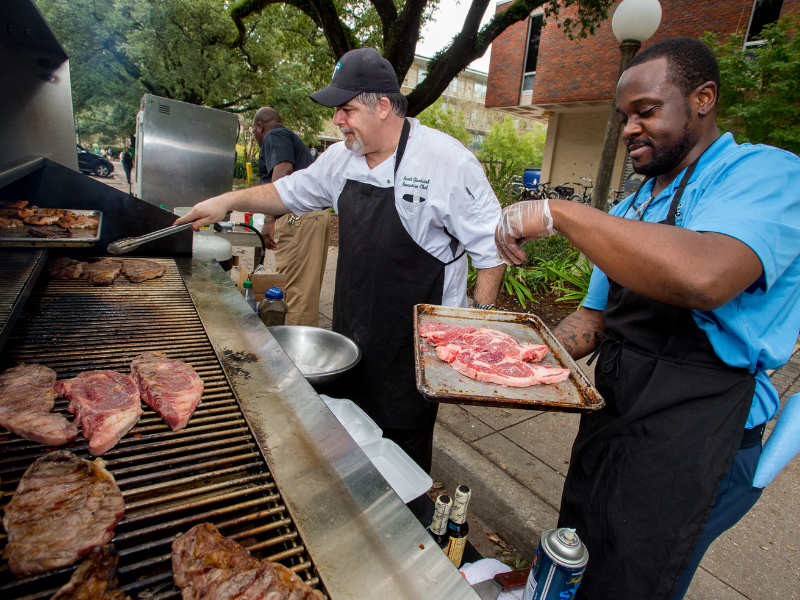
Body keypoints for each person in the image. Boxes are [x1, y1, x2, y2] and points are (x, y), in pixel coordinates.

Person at [495, 37, 800, 600]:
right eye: (624, 116)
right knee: (576, 561)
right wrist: (512, 360)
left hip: (697, 436)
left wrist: (558, 212)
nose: (631, 127)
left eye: (647, 111)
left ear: (703, 98)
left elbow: (705, 277)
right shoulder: (635, 206)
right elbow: (595, 317)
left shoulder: (767, 174)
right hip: (615, 417)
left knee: (632, 582)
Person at [176, 47, 505, 472]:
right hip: (354, 330)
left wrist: (474, 330)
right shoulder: (339, 159)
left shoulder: (448, 161)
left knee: (401, 447)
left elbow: (492, 248)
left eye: (345, 110)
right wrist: (227, 201)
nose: (337, 120)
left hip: (416, 346)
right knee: (352, 433)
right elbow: (286, 192)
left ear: (383, 106)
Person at [253, 107, 330, 327]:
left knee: (295, 292)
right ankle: (301, 348)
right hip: (312, 217)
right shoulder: (289, 138)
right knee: (305, 292)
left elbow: (284, 170)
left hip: (299, 219)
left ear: (260, 126)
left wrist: (269, 219)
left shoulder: (274, 135)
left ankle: (295, 355)